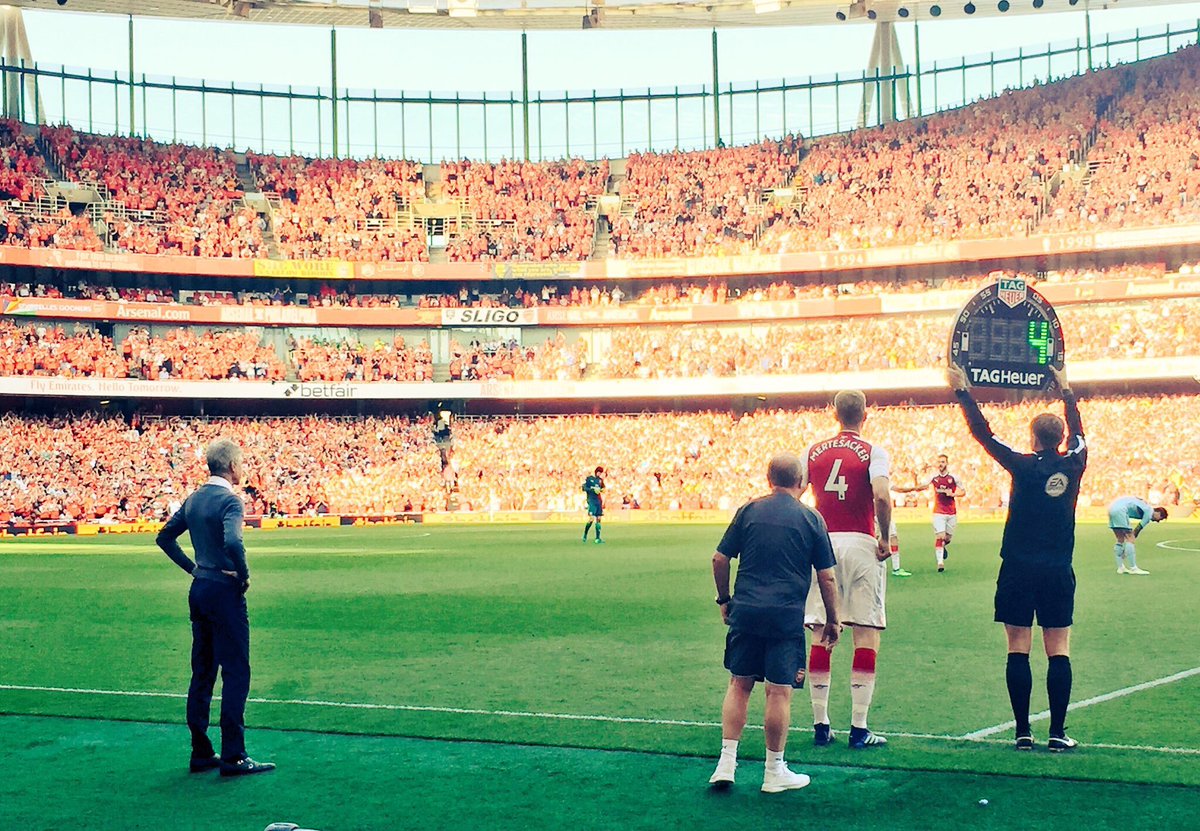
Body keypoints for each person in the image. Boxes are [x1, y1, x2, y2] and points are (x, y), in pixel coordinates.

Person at [948, 363, 1086, 752]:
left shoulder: (1022, 464)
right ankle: (1057, 733)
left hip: (1018, 568)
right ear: (1059, 437)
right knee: (1058, 648)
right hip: (1058, 568)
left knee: (1017, 646)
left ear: (1033, 437)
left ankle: (1023, 731)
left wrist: (962, 392)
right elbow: (1080, 434)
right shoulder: (1075, 461)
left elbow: (984, 435)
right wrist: (1067, 392)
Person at [708, 453, 840, 793]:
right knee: (778, 691)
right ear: (802, 483)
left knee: (739, 683)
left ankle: (726, 763)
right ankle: (773, 771)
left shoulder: (749, 510)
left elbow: (719, 558)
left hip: (747, 610)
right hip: (784, 616)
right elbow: (827, 578)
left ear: (769, 479)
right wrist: (833, 620)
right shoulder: (811, 518)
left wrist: (724, 600)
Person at [156, 438, 275, 777]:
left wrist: (193, 568)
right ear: (233, 467)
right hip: (224, 591)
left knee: (203, 670)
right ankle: (234, 755)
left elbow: (164, 537)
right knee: (236, 671)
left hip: (200, 588)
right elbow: (233, 541)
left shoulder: (193, 499)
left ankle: (201, 750)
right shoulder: (230, 501)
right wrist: (243, 573)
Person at [801, 390, 893, 750]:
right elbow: (882, 495)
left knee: (822, 630)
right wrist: (884, 537)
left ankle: (821, 723)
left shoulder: (813, 450)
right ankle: (859, 727)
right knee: (866, 632)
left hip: (823, 544)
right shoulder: (874, 451)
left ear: (833, 413)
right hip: (859, 541)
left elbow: (795, 494)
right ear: (865, 415)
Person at [895, 454, 966, 573]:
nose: (940, 464)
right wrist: (913, 488)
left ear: (947, 463)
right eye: (939, 462)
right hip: (938, 511)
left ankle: (943, 547)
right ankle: (940, 563)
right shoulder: (933, 477)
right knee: (940, 536)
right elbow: (925, 485)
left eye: (943, 462)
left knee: (947, 539)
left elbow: (963, 492)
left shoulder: (954, 477)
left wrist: (953, 494)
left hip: (951, 512)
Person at [1107, 496, 1167, 575]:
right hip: (1121, 510)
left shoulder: (1145, 506)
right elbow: (1137, 530)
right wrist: (1126, 550)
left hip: (1111, 508)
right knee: (1130, 538)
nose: (1158, 521)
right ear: (1158, 512)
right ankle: (1133, 568)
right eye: (1160, 518)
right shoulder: (1149, 512)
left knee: (1120, 539)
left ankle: (1120, 567)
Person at [582, 466, 605, 544]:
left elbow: (603, 488)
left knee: (598, 519)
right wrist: (592, 489)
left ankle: (597, 538)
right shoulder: (590, 479)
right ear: (596, 472)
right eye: (599, 472)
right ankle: (585, 534)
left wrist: (601, 490)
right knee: (591, 519)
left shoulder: (600, 480)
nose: (600, 474)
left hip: (598, 502)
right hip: (592, 501)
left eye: (601, 473)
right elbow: (584, 488)